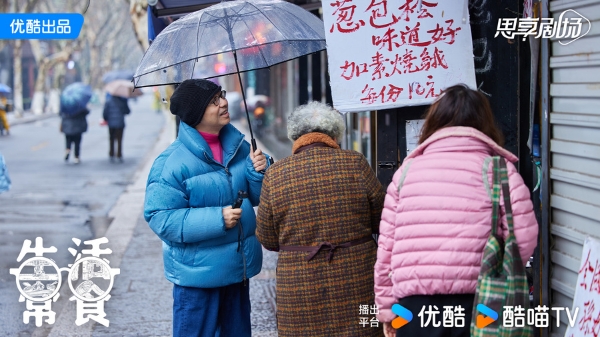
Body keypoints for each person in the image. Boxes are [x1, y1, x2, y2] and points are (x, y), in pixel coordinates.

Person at [374, 84, 539, 337]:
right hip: (482, 304)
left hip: (414, 309)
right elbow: (523, 239)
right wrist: (496, 270)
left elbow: (386, 248)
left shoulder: (406, 173)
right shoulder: (499, 170)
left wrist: (387, 310)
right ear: (484, 122)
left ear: (434, 122)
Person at [144, 79, 270, 337]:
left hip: (237, 270)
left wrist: (258, 172)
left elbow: (256, 198)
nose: (224, 102)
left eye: (221, 95)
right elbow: (160, 218)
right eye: (214, 101)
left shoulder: (238, 147)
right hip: (197, 279)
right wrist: (217, 218)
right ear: (195, 113)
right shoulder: (171, 163)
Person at [256, 101, 386, 337]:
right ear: (335, 134)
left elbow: (267, 238)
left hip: (299, 283)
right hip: (357, 277)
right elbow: (382, 220)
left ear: (295, 135)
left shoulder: (276, 173)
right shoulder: (355, 163)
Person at [102, 93, 131, 162]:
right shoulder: (122, 101)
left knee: (111, 139)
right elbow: (127, 111)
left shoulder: (108, 101)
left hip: (111, 124)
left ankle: (111, 154)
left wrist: (106, 119)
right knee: (119, 140)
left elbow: (105, 113)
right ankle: (119, 155)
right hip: (120, 124)